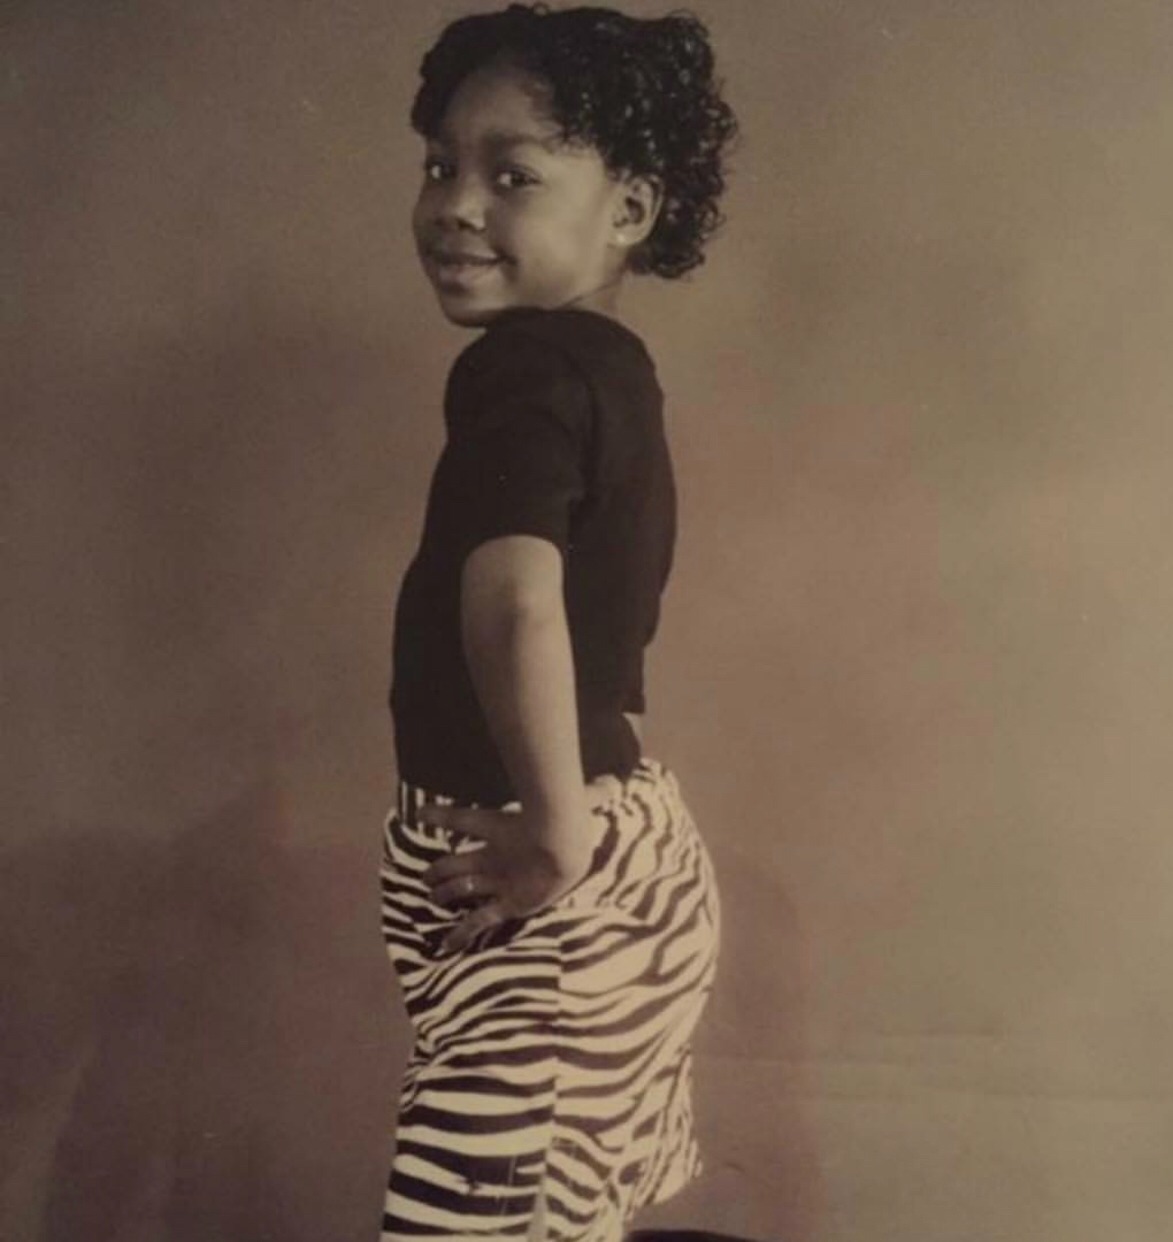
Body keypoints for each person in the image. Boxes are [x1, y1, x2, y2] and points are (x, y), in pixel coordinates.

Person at [379, 5, 737, 1238]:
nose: (455, 205)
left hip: (557, 872)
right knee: (560, 1211)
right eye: (440, 166)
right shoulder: (606, 369)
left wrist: (551, 831)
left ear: (629, 209)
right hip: (615, 859)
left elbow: (517, 596)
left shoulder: (523, 366)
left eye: (512, 175)